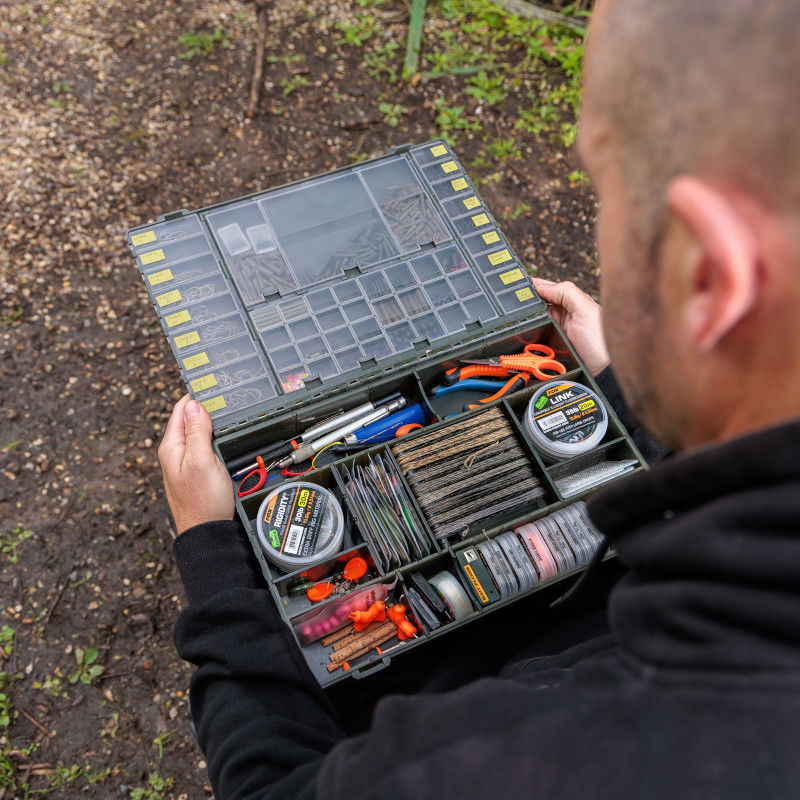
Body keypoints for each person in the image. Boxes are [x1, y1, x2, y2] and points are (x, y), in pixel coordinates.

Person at [157, 0, 800, 796]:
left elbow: (266, 787)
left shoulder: (518, 763)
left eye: (606, 187)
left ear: (711, 273)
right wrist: (628, 408)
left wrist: (213, 557)